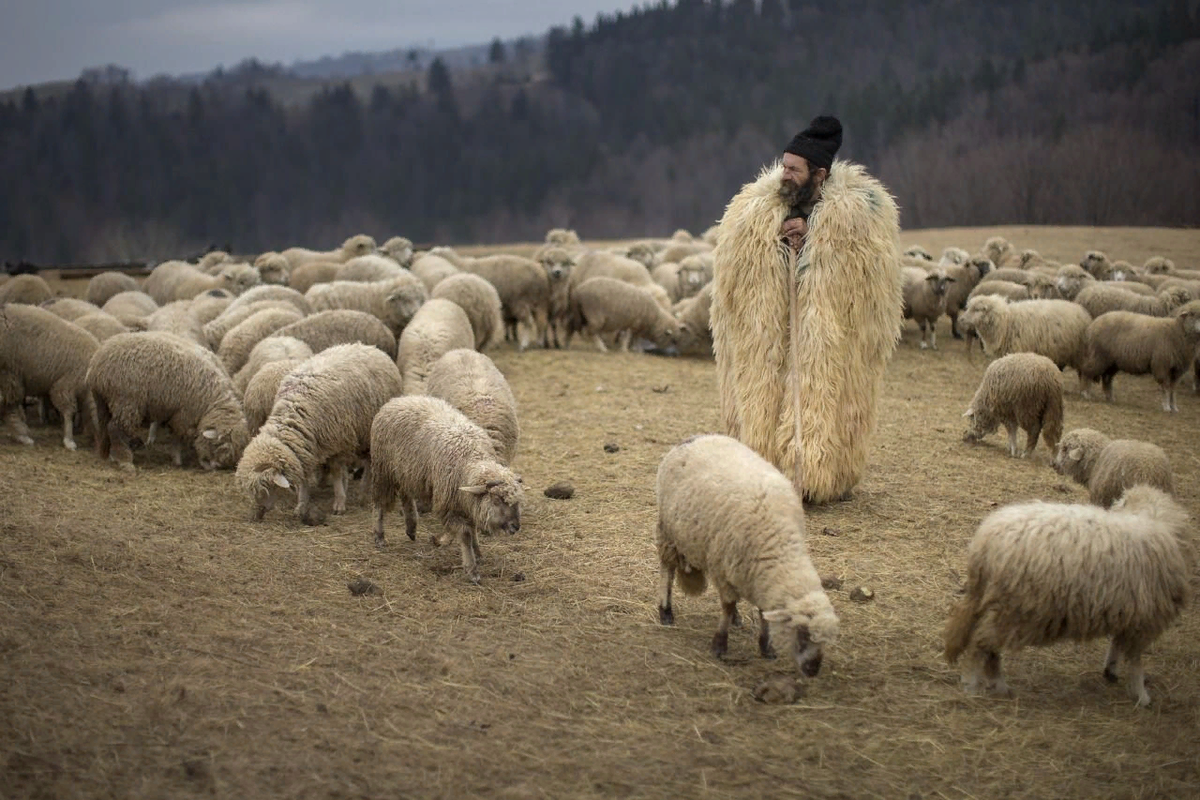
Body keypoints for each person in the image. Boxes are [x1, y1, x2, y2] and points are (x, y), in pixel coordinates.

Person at [709, 115, 905, 504]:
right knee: (764, 395)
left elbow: (866, 266)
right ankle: (761, 469)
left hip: (829, 330)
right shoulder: (758, 205)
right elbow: (739, 254)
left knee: (826, 395)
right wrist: (778, 239)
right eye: (783, 166)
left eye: (794, 169)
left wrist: (814, 237)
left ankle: (817, 477)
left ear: (819, 173)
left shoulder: (860, 210)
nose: (785, 175)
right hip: (771, 328)